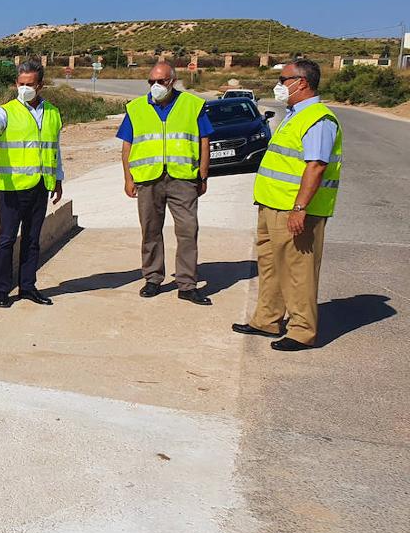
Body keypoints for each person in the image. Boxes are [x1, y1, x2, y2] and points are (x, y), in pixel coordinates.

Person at [233, 59, 341, 351]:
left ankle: (302, 330)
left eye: (284, 79)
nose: (279, 85)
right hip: (271, 205)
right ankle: (266, 319)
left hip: (294, 210)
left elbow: (316, 166)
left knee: (298, 271)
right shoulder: (294, 115)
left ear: (302, 82)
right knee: (270, 266)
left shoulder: (318, 119)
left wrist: (300, 207)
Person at [0, 58, 64, 308]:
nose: (24, 88)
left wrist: (58, 179)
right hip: (11, 187)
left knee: (32, 239)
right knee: (7, 239)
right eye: (20, 83)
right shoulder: (7, 110)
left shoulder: (52, 112)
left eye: (29, 84)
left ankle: (28, 287)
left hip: (40, 185)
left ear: (40, 85)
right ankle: (1, 290)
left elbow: (54, 149)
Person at [118, 61, 214, 304]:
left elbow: (204, 140)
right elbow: (126, 146)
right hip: (148, 179)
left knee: (188, 230)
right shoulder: (136, 107)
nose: (156, 86)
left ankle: (187, 284)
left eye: (161, 81)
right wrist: (128, 178)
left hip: (183, 178)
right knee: (150, 230)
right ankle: (152, 278)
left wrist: (203, 174)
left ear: (173, 81)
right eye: (151, 82)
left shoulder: (192, 105)